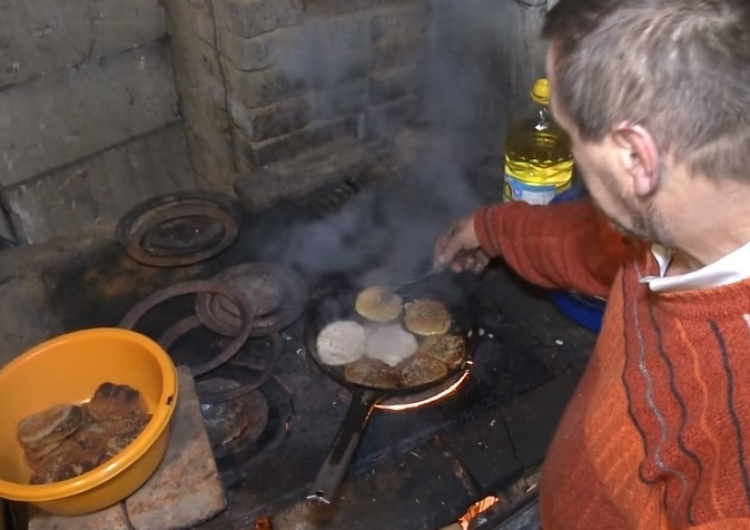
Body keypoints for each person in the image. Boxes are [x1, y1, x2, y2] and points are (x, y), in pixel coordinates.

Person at [434, 0, 750, 528]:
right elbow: (595, 241)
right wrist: (491, 229)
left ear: (635, 157)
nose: (569, 153)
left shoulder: (735, 438)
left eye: (571, 135)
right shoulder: (682, 220)